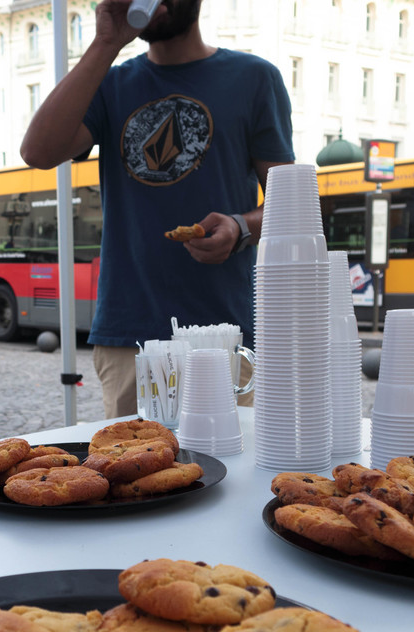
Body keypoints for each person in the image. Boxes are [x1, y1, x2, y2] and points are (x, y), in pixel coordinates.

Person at [20, 0, 294, 418]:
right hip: (129, 335)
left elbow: (290, 200)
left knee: (230, 475)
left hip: (223, 333)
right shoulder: (110, 84)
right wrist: (105, 42)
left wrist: (240, 227)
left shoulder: (254, 78)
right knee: (134, 476)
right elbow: (37, 151)